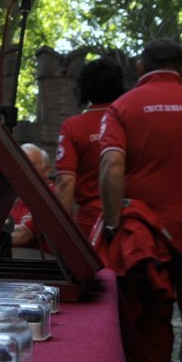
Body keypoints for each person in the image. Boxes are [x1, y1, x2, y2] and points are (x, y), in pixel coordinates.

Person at [98, 39, 182, 362]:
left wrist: (114, 222)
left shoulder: (122, 108)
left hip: (150, 235)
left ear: (139, 67)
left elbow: (111, 166)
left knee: (153, 318)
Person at [54, 57, 128, 238]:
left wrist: (62, 235)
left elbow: (65, 182)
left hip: (91, 222)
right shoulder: (130, 121)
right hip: (129, 218)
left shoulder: (73, 126)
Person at [8, 144, 53, 249]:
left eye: (31, 165)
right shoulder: (18, 198)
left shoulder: (51, 197)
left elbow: (22, 237)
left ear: (46, 170)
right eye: (19, 165)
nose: (23, 170)